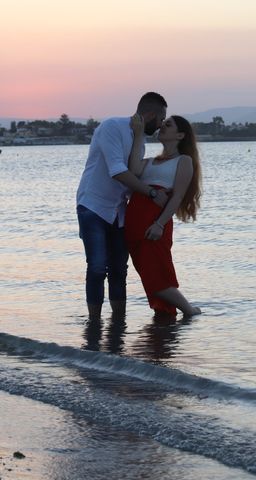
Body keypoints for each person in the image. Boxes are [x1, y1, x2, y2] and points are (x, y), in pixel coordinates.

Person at [76, 92, 169, 320]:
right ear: (149, 115)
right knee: (97, 267)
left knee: (119, 269)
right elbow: (117, 171)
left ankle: (118, 324)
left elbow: (135, 171)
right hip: (93, 206)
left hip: (119, 211)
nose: (161, 125)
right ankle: (94, 323)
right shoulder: (111, 127)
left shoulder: (141, 140)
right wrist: (151, 192)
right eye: (161, 118)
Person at [125, 114, 202, 317]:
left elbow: (176, 197)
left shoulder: (184, 161)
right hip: (134, 222)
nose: (163, 126)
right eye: (164, 123)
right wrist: (139, 135)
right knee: (146, 275)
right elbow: (132, 170)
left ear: (180, 135)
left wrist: (160, 224)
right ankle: (164, 316)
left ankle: (189, 310)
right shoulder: (150, 161)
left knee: (156, 277)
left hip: (154, 223)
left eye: (168, 125)